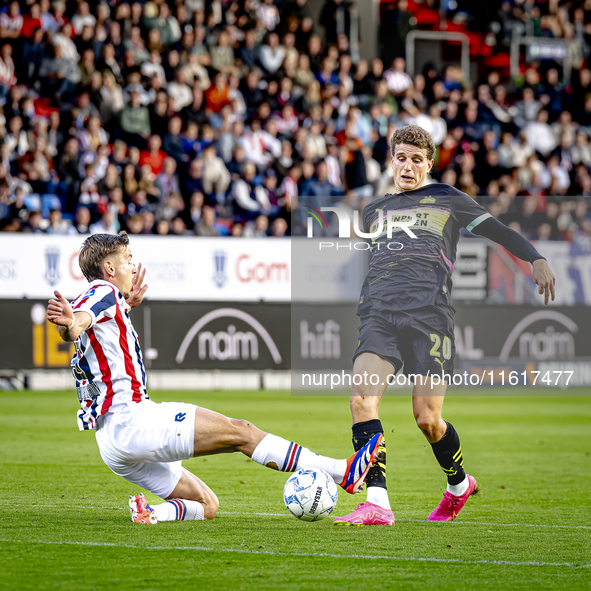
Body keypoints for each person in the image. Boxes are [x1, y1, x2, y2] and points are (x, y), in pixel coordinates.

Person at [46, 232, 382, 524]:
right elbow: (79, 322)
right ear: (109, 269)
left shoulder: (109, 300)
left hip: (112, 444)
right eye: (128, 259)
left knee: (206, 506)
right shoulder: (103, 291)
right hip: (132, 420)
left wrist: (111, 311)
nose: (134, 266)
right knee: (242, 432)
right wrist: (71, 324)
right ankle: (340, 471)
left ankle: (151, 513)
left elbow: (83, 325)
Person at [333, 125, 556, 526]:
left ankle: (458, 485)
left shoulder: (449, 199)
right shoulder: (373, 212)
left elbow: (499, 231)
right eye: (401, 157)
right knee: (362, 400)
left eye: (417, 159)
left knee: (427, 419)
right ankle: (377, 503)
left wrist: (534, 257)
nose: (407, 165)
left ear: (428, 165)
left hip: (430, 318)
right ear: (391, 160)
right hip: (379, 315)